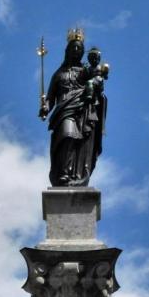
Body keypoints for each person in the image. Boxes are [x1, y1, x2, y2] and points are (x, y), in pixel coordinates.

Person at [39, 30, 107, 187]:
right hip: (64, 110)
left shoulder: (86, 71)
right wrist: (45, 108)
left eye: (79, 48)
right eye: (73, 48)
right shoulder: (58, 74)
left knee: (80, 143)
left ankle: (73, 174)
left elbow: (99, 82)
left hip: (82, 110)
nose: (76, 51)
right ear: (67, 51)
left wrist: (97, 84)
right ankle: (63, 172)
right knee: (67, 135)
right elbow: (50, 98)